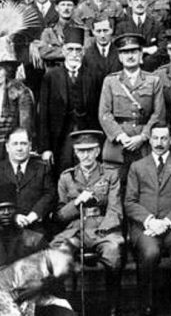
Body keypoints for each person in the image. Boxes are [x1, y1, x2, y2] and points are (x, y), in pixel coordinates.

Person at [0, 185, 73, 316]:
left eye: (10, 208)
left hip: (35, 300)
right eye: (1, 209)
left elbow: (57, 277)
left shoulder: (35, 240)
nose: (6, 212)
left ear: (16, 210)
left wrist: (40, 285)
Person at [52, 130, 125, 316]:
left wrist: (103, 230)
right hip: (76, 230)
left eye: (90, 150)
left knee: (114, 252)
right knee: (57, 252)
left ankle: (113, 307)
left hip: (103, 229)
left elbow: (115, 208)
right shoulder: (66, 177)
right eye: (81, 151)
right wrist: (76, 203)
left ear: (98, 151)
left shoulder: (110, 175)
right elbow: (60, 215)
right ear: (75, 153)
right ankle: (65, 306)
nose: (85, 156)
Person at [125, 125, 171, 316]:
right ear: (149, 140)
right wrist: (150, 221)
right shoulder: (137, 166)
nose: (159, 143)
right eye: (155, 138)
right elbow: (129, 202)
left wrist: (166, 222)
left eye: (164, 138)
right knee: (150, 251)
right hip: (145, 227)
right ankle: (147, 305)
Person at [98, 33, 166, 186]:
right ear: (120, 57)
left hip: (144, 143)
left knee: (146, 184)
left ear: (141, 54)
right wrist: (121, 136)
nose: (130, 56)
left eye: (134, 51)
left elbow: (158, 114)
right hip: (118, 144)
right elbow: (104, 113)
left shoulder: (153, 81)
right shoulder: (110, 81)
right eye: (125, 52)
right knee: (115, 186)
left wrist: (142, 137)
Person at [37, 26, 102, 176]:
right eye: (70, 49)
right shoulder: (51, 77)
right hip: (60, 138)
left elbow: (99, 110)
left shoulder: (94, 76)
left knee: (88, 174)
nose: (74, 54)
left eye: (78, 50)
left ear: (83, 52)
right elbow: (43, 114)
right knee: (63, 174)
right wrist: (45, 148)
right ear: (64, 51)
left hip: (87, 135)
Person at [0, 127, 56, 238]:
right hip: (2, 231)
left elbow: (50, 195)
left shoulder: (43, 169)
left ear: (30, 146)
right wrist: (12, 217)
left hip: (35, 229)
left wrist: (33, 215)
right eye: (15, 144)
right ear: (7, 147)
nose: (19, 148)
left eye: (23, 144)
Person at [117, 0, 170, 71]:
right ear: (130, 3)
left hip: (151, 70)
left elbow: (163, 50)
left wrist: (146, 62)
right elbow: (118, 50)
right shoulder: (121, 26)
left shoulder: (157, 25)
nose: (140, 3)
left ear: (147, 2)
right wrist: (145, 50)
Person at [39, 0, 81, 68]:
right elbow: (43, 52)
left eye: (69, 5)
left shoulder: (82, 29)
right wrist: (72, 52)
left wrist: (55, 50)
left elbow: (86, 51)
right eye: (63, 5)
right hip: (54, 71)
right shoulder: (48, 31)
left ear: (74, 8)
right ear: (56, 8)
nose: (66, 8)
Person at [82, 19, 123, 84]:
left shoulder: (120, 52)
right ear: (93, 32)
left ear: (112, 30)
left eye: (105, 30)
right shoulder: (86, 54)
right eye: (98, 31)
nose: (102, 35)